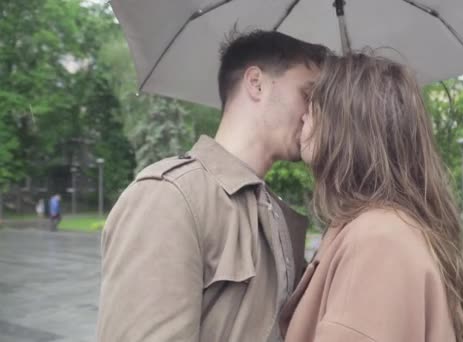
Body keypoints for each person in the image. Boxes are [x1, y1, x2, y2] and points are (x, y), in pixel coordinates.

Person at [96, 31, 330, 342]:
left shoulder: (279, 214)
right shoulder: (170, 198)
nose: (313, 113)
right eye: (308, 94)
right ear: (256, 83)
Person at [280, 53, 463, 342]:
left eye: (314, 104)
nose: (302, 115)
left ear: (346, 122)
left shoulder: (377, 242)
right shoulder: (382, 227)